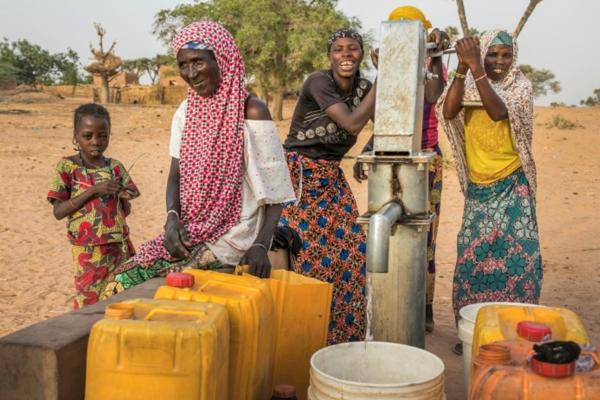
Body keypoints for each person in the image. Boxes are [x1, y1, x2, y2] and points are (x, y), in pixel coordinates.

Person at [113, 21, 295, 288]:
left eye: (198, 61)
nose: (191, 73)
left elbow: (276, 192)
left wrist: (259, 244)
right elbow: (175, 175)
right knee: (120, 279)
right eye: (183, 65)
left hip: (234, 237)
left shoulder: (251, 112)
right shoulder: (186, 113)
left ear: (221, 59)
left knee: (127, 283)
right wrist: (172, 220)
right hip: (194, 230)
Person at [436, 30, 543, 354]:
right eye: (491, 54)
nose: (499, 61)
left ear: (515, 57)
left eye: (505, 54)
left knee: (518, 263)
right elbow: (449, 111)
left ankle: (515, 331)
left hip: (512, 186)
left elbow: (498, 112)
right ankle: (473, 330)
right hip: (479, 191)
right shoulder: (469, 81)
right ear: (481, 54)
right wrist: (462, 69)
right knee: (474, 261)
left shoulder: (520, 87)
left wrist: (476, 68)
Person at [353, 5, 448, 333]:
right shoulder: (386, 67)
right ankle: (386, 301)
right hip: (390, 154)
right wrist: (368, 149)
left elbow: (433, 95)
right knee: (390, 230)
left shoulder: (430, 64)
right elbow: (385, 116)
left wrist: (434, 58)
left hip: (425, 158)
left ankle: (424, 305)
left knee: (424, 234)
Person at [280, 28, 377, 344]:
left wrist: (368, 149)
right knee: (304, 256)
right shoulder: (318, 82)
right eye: (338, 49)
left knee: (352, 249)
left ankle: (342, 337)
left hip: (331, 177)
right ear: (330, 56)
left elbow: (396, 121)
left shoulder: (365, 88)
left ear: (361, 53)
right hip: (300, 178)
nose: (346, 55)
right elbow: (351, 123)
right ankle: (303, 336)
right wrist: (386, 78)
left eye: (352, 49)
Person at [47, 103, 140, 309]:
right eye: (88, 136)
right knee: (89, 302)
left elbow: (126, 208)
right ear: (76, 136)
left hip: (119, 247)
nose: (96, 142)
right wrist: (93, 190)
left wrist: (121, 193)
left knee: (118, 300)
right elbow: (58, 211)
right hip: (87, 251)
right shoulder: (68, 167)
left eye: (103, 136)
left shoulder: (114, 167)